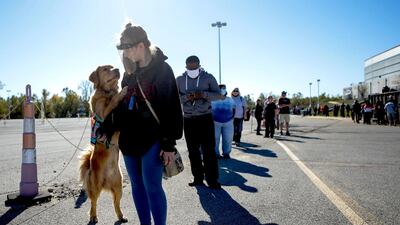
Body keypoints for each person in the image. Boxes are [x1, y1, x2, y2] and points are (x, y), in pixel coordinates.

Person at [115, 23, 183, 225]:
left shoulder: (162, 69)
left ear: (141, 45)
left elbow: (172, 107)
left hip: (153, 137)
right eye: (123, 49)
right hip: (128, 139)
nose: (125, 53)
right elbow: (123, 107)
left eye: (127, 48)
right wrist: (108, 127)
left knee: (152, 186)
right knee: (136, 186)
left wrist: (169, 144)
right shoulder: (128, 74)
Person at [176, 55, 222, 189]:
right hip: (189, 119)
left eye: (194, 67)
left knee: (208, 150)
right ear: (186, 66)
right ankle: (197, 177)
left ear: (199, 65)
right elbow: (174, 97)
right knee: (193, 151)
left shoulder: (208, 77)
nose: (192, 69)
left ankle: (212, 180)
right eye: (189, 67)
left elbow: (219, 95)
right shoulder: (179, 79)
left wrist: (203, 95)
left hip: (205, 118)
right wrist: (187, 97)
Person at [211, 84, 236, 159]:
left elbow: (234, 109)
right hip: (215, 122)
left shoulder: (230, 100)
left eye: (224, 88)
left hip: (228, 122)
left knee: (228, 138)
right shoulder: (213, 100)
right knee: (215, 138)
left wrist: (232, 118)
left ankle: (226, 153)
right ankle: (216, 153)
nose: (222, 90)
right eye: (221, 88)